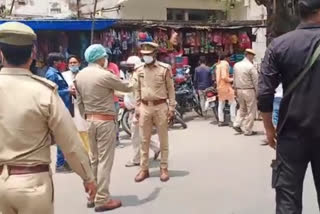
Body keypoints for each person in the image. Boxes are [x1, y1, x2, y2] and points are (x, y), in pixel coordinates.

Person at [0, 21, 96, 214]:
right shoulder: (43, 91)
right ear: (33, 54)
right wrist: (88, 178)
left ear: (1, 54)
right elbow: (70, 143)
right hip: (33, 185)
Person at [258, 1, 320, 213]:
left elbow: (265, 93)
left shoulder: (279, 45)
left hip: (291, 135)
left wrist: (269, 129)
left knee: (287, 203)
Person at [75, 44, 133, 212]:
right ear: (100, 58)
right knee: (105, 162)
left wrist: (87, 117)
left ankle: (92, 195)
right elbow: (127, 87)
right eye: (104, 56)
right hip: (105, 121)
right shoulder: (104, 75)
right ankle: (102, 199)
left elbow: (79, 103)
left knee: (94, 160)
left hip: (90, 120)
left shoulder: (79, 76)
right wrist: (137, 77)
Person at [133, 42, 176, 183]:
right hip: (145, 107)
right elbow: (137, 89)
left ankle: (164, 168)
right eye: (143, 55)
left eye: (148, 55)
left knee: (163, 139)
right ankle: (143, 169)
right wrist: (137, 106)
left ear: (154, 54)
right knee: (143, 139)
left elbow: (170, 89)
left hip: (161, 106)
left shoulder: (164, 69)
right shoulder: (139, 70)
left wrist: (171, 107)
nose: (146, 57)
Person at [124, 56, 161, 167]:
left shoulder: (140, 76)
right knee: (141, 135)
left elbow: (139, 96)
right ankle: (156, 148)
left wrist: (137, 111)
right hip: (137, 109)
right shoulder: (135, 75)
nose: (127, 68)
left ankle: (136, 159)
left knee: (135, 136)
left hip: (139, 110)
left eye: (129, 66)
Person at [45, 52, 73, 173]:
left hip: (64, 106)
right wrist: (68, 91)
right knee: (62, 137)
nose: (62, 64)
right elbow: (52, 92)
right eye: (60, 61)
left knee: (65, 137)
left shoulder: (56, 73)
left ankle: (63, 162)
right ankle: (60, 163)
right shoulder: (51, 74)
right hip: (59, 107)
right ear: (55, 62)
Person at [62, 55, 90, 153]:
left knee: (84, 128)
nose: (73, 64)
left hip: (83, 105)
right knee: (71, 130)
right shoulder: (64, 75)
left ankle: (88, 154)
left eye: (75, 62)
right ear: (68, 64)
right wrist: (68, 91)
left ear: (79, 64)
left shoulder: (84, 75)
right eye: (71, 63)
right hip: (69, 106)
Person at [233, 49, 259, 136]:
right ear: (249, 55)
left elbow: (234, 78)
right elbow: (256, 81)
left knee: (241, 108)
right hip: (249, 90)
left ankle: (237, 123)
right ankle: (248, 130)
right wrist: (258, 92)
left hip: (239, 89)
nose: (253, 57)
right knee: (251, 110)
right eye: (252, 56)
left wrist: (235, 89)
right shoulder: (251, 67)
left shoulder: (236, 65)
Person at [105, 48, 122, 146]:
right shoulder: (97, 68)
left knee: (115, 121)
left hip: (114, 99)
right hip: (102, 100)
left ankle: (116, 139)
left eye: (107, 56)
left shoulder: (113, 66)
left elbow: (117, 80)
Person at [215, 54, 237, 127]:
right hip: (226, 86)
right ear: (226, 58)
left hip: (219, 86)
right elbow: (224, 77)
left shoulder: (218, 65)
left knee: (221, 104)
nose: (230, 60)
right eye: (229, 58)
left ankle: (221, 121)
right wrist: (232, 79)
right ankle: (232, 120)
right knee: (233, 103)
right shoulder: (225, 64)